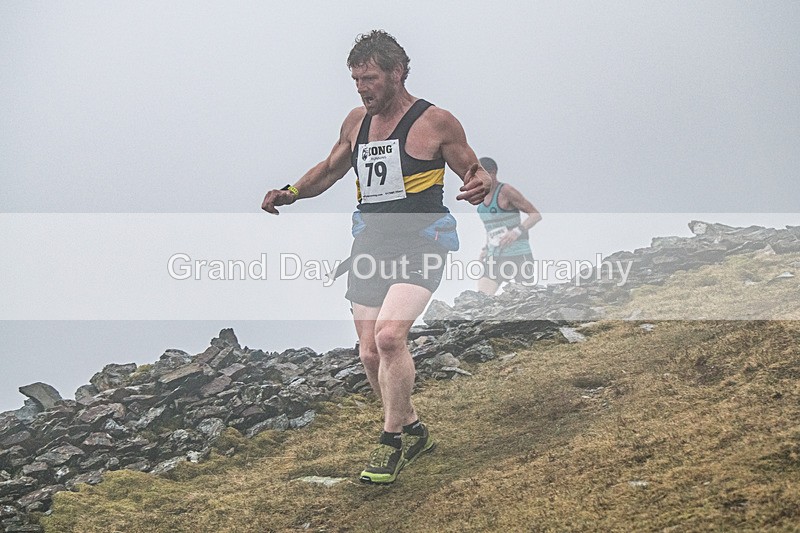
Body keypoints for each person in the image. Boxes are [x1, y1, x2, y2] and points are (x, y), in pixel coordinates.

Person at [261, 30, 491, 484]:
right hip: (370, 243)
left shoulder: (436, 122)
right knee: (369, 354)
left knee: (389, 338)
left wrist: (480, 180)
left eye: (369, 79)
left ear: (397, 74)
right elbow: (329, 170)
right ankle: (415, 430)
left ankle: (391, 444)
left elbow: (472, 167)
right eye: (356, 80)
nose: (362, 89)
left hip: (423, 241)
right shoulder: (356, 122)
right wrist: (290, 192)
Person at [476, 157, 542, 295]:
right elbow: (491, 229)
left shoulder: (506, 191)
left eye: (482, 175)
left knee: (527, 300)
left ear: (493, 173)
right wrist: (485, 248)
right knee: (481, 299)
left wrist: (517, 231)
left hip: (519, 254)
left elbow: (535, 215)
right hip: (495, 255)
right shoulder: (479, 195)